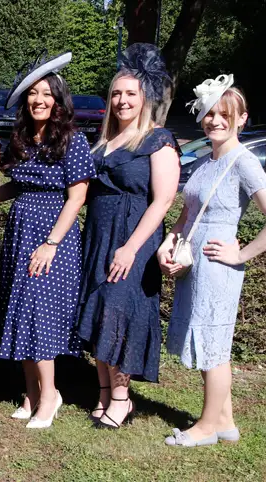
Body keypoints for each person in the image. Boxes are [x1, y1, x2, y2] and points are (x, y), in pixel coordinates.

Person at [159, 76, 266, 446]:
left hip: (219, 268)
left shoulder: (242, 162)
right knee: (207, 342)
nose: (215, 121)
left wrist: (240, 254)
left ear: (242, 119)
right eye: (209, 114)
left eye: (224, 115)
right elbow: (186, 215)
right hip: (194, 264)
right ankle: (225, 422)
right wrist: (170, 243)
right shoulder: (206, 162)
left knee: (214, 347)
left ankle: (204, 427)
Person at [75, 43, 180, 428]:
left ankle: (122, 397)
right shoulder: (104, 142)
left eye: (130, 94)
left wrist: (131, 248)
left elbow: (164, 199)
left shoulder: (158, 139)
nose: (121, 100)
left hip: (132, 239)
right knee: (100, 311)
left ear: (145, 98)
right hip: (99, 238)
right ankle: (104, 394)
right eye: (116, 93)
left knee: (119, 313)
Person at [0, 52, 95, 429]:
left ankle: (50, 397)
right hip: (22, 232)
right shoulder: (21, 138)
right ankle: (30, 394)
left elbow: (77, 196)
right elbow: (18, 184)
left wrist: (51, 243)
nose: (38, 100)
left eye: (46, 94)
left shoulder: (73, 140)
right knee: (19, 310)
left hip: (54, 237)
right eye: (33, 94)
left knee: (40, 314)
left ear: (58, 100)